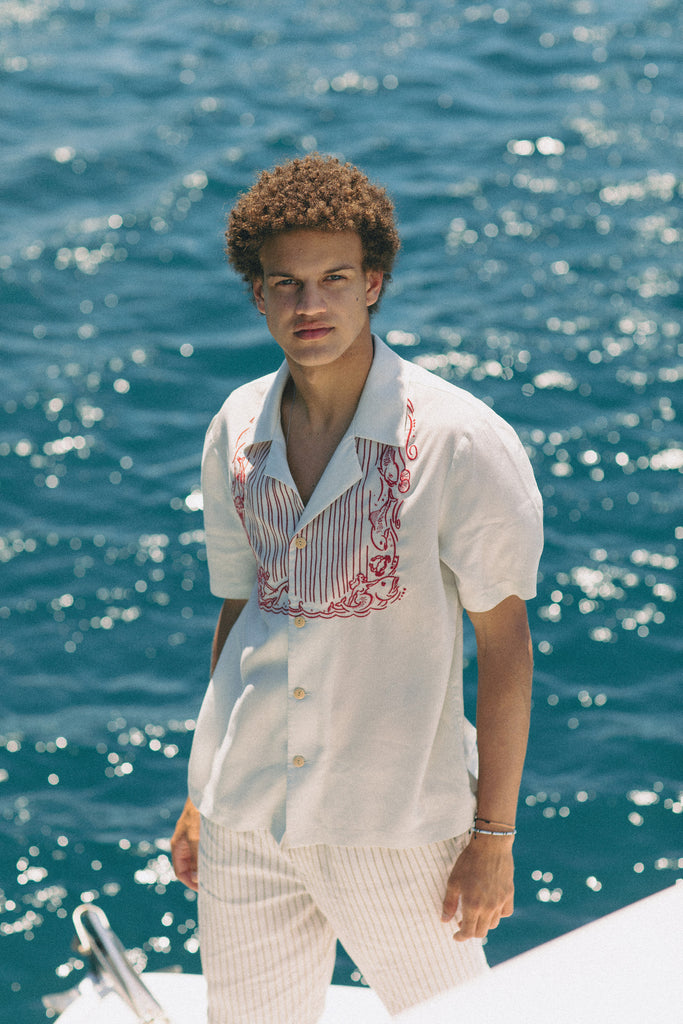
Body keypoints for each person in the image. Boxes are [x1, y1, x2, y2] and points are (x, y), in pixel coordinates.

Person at [171, 153, 543, 1022]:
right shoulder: (236, 426)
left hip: (398, 828)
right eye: (285, 284)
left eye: (334, 278)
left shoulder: (457, 439)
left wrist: (493, 840)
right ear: (256, 296)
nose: (310, 305)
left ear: (372, 283)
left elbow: (506, 646)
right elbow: (241, 609)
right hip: (247, 822)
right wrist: (200, 795)